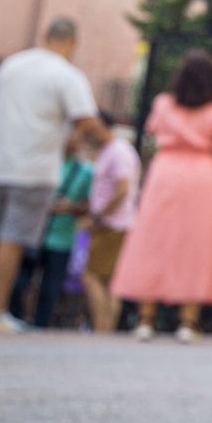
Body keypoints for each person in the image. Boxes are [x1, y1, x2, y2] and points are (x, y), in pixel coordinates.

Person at [0, 18, 104, 333]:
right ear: (73, 43)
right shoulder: (67, 75)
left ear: (45, 35)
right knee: (13, 238)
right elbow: (86, 121)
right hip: (33, 167)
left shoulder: (13, 65)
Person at [112, 51, 212, 343]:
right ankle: (188, 322)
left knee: (155, 241)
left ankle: (146, 320)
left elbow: (151, 145)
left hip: (165, 173)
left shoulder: (163, 105)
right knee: (196, 245)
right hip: (202, 177)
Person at [11, 141, 93, 329]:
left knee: (51, 287)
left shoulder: (86, 171)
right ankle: (16, 318)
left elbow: (89, 206)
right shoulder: (43, 165)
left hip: (62, 238)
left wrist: (71, 207)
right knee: (20, 282)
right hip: (33, 234)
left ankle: (41, 325)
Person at [82, 112, 140, 334]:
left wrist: (99, 216)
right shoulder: (110, 151)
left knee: (92, 276)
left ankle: (102, 328)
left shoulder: (119, 152)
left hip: (114, 224)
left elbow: (123, 190)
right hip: (113, 222)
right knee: (108, 279)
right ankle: (104, 328)